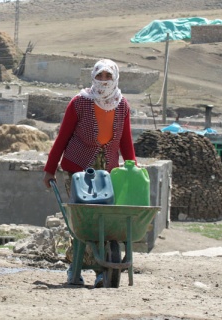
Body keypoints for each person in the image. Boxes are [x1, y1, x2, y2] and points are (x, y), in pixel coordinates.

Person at [42, 59, 136, 287]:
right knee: (83, 221)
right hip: (78, 170)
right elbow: (63, 137)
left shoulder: (121, 105)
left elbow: (125, 140)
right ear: (93, 77)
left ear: (115, 78)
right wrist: (50, 169)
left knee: (103, 222)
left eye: (108, 76)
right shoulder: (80, 103)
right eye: (100, 76)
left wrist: (133, 165)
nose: (103, 81)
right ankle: (77, 267)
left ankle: (102, 269)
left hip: (107, 172)